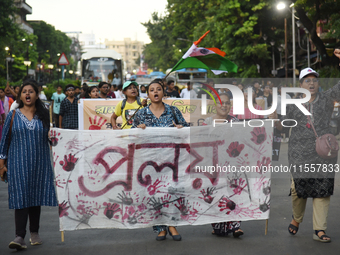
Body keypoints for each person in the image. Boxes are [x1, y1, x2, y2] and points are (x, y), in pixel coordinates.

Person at [272, 51, 340, 243]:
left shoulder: (326, 99)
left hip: (324, 153)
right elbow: (283, 126)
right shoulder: (292, 105)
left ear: (318, 84)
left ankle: (319, 229)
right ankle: (297, 217)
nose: (311, 84)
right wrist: (274, 121)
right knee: (298, 190)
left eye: (314, 81)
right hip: (299, 154)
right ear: (300, 85)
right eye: (307, 81)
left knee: (323, 190)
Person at [0, 80, 58, 250]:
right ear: (20, 95)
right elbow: (3, 142)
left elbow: (52, 141)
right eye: (24, 91)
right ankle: (19, 236)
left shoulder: (44, 115)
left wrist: (53, 135)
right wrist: (2, 165)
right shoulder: (12, 115)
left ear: (36, 94)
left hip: (39, 163)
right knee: (20, 197)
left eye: (31, 91)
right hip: (17, 163)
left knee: (35, 197)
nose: (27, 94)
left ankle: (34, 232)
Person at [132, 79, 189, 241]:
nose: (155, 92)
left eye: (158, 89)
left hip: (171, 160)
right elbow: (131, 135)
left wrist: (180, 128)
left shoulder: (173, 111)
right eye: (152, 90)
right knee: (154, 193)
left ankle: (172, 224)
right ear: (148, 94)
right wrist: (138, 129)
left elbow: (185, 128)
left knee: (172, 191)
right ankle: (160, 227)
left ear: (164, 92)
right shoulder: (141, 113)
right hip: (149, 161)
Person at [201, 93, 244, 237]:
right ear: (215, 105)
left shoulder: (236, 121)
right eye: (221, 103)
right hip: (213, 164)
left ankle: (235, 225)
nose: (224, 105)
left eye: (227, 103)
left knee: (234, 193)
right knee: (217, 194)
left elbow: (244, 140)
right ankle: (219, 226)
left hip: (233, 164)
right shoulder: (207, 122)